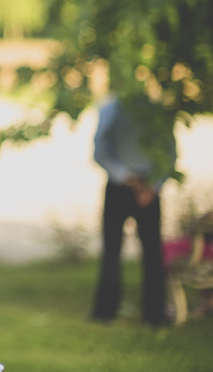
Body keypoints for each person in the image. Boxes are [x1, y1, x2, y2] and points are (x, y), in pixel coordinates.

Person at [91, 96, 176, 327]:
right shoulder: (116, 107)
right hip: (131, 186)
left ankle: (149, 312)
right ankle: (114, 311)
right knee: (122, 250)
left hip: (135, 184)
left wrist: (146, 183)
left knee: (145, 250)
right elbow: (170, 154)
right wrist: (144, 184)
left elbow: (100, 149)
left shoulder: (122, 107)